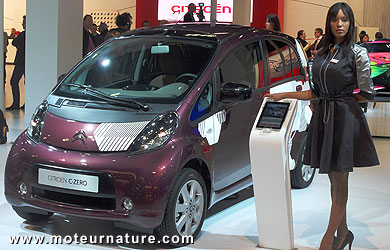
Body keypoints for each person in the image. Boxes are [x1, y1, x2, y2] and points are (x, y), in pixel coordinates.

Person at [265, 3, 379, 250]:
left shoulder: (357, 53)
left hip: (345, 118)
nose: (339, 24)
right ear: (328, 23)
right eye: (335, 20)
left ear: (351, 23)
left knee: (341, 181)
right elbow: (315, 92)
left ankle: (329, 240)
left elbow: (368, 93)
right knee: (333, 181)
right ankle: (344, 233)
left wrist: (344, 100)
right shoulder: (323, 52)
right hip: (325, 117)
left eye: (345, 20)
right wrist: (283, 94)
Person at [7, 16, 26, 110]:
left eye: (23, 22)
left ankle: (16, 104)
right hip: (27, 62)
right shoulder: (29, 34)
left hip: (21, 62)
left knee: (14, 81)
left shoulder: (23, 34)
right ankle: (25, 103)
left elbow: (14, 42)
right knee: (27, 82)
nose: (22, 24)